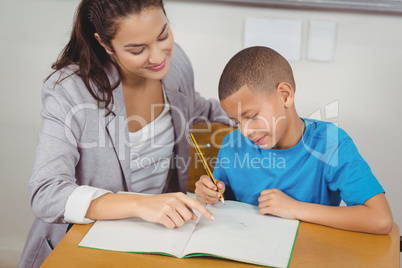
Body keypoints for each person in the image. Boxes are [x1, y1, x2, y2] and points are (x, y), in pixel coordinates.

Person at [19, 0, 228, 267]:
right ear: (105, 44)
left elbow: (199, 109)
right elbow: (46, 193)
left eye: (163, 35)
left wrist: (267, 117)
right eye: (137, 49)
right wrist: (139, 205)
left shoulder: (175, 66)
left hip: (157, 240)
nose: (157, 56)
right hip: (81, 247)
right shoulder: (70, 90)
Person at [195, 46, 394, 235]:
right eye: (236, 121)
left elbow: (381, 219)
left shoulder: (330, 144)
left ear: (285, 95)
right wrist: (209, 194)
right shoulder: (233, 144)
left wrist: (294, 208)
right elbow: (223, 203)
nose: (245, 131)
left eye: (252, 116)